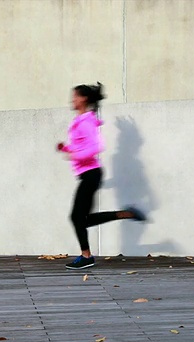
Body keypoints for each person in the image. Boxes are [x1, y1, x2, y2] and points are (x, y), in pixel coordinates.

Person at [57, 82, 146, 270]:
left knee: (76, 218)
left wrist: (75, 155)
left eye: (75, 96)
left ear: (84, 99)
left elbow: (96, 146)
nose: (72, 100)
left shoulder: (87, 121)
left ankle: (86, 256)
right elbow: (82, 146)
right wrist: (66, 148)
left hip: (91, 174)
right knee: (83, 219)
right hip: (88, 174)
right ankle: (124, 213)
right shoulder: (81, 120)